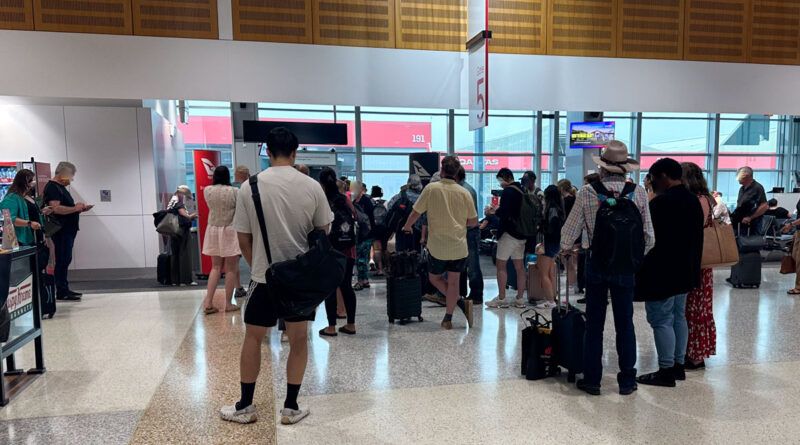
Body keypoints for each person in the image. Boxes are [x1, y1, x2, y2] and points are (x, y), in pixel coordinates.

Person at [221, 127, 333, 426]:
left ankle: (245, 406)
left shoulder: (250, 187)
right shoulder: (312, 186)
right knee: (298, 340)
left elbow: (243, 238)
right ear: (295, 152)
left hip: (263, 279)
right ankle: (291, 406)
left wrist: (260, 266)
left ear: (267, 152)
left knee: (253, 339)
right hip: (300, 279)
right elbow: (323, 233)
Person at [560, 141, 654, 396]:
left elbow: (567, 234)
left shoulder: (589, 192)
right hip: (626, 269)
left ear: (603, 169)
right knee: (626, 323)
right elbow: (649, 238)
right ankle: (627, 381)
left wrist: (570, 248)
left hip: (597, 265)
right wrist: (631, 258)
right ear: (625, 169)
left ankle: (592, 380)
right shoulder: (639, 193)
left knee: (595, 325)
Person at [635, 158, 703, 388]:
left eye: (652, 178)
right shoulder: (694, 201)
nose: (652, 183)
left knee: (661, 319)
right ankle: (677, 366)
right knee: (678, 317)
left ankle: (665, 370)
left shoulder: (660, 204)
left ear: (663, 176)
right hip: (686, 270)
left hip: (661, 272)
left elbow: (647, 239)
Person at [402, 156, 477, 329]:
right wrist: (457, 223)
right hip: (458, 246)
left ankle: (459, 301)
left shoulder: (431, 189)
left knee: (434, 278)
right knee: (453, 282)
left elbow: (416, 213)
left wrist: (407, 226)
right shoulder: (464, 193)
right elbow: (473, 222)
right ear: (457, 172)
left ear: (442, 171)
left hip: (437, 246)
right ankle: (448, 319)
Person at [681, 162, 717, 371]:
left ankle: (693, 354)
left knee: (692, 307)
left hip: (695, 260)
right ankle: (698, 351)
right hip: (707, 262)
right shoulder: (710, 199)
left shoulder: (696, 201)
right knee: (701, 307)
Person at [43, 162, 94, 301]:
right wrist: (75, 209)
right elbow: (56, 208)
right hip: (61, 231)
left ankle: (64, 288)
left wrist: (80, 209)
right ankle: (61, 290)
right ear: (62, 174)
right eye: (71, 175)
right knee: (62, 259)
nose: (72, 179)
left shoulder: (60, 188)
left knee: (65, 259)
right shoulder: (53, 188)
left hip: (67, 230)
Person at [318, 167, 358, 337]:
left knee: (330, 286)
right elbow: (355, 217)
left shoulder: (322, 201)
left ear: (321, 183)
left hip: (331, 250)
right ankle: (350, 324)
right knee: (347, 286)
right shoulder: (344, 199)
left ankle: (331, 327)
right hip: (348, 249)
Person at [201, 166, 241, 315]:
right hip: (230, 229)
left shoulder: (207, 190)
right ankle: (228, 304)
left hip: (212, 229)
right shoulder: (234, 192)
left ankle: (208, 302)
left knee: (215, 267)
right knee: (230, 268)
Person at [486, 168, 528, 309]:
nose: (500, 184)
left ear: (505, 177)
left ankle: (502, 298)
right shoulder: (522, 190)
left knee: (501, 265)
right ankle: (520, 299)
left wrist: (494, 211)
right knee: (520, 267)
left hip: (508, 235)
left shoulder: (508, 192)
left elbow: (504, 214)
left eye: (500, 180)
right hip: (522, 234)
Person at [457, 166, 483, 304]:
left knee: (472, 264)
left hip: (469, 231)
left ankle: (476, 294)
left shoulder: (465, 190)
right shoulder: (466, 188)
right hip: (468, 230)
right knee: (465, 263)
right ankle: (466, 292)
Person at [536, 185, 565, 309]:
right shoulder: (559, 209)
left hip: (549, 243)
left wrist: (541, 226)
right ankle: (552, 297)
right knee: (550, 273)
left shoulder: (551, 209)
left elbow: (550, 228)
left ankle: (550, 300)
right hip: (556, 243)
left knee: (544, 273)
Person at [1, 169, 47, 246]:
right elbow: (10, 219)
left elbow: (30, 212)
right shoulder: (11, 198)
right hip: (21, 240)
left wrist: (42, 211)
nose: (33, 183)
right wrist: (29, 223)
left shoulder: (26, 196)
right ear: (23, 182)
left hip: (36, 237)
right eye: (30, 180)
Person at [167, 185, 199, 286]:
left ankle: (175, 280)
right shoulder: (179, 201)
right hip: (182, 230)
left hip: (173, 230)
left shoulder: (172, 200)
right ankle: (185, 280)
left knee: (175, 255)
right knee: (185, 254)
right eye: (186, 195)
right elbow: (183, 213)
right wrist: (191, 217)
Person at [387, 175, 423, 252]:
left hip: (402, 227)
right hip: (418, 229)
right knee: (417, 252)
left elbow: (390, 206)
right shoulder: (422, 197)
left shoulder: (401, 195)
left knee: (400, 252)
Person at [351, 181, 375, 291]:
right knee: (361, 258)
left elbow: (369, 218)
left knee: (362, 258)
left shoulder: (366, 201)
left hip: (366, 234)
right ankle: (364, 279)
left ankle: (361, 280)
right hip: (359, 234)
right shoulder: (355, 201)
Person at [731, 166, 768, 234]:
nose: (738, 179)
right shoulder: (742, 189)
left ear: (747, 176)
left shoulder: (757, 188)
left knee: (752, 241)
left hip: (753, 223)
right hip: (740, 222)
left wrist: (750, 217)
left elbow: (764, 206)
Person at [371, 186, 388, 276]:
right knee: (385, 248)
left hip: (374, 228)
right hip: (384, 228)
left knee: (377, 249)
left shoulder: (370, 202)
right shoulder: (385, 202)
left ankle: (380, 269)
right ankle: (388, 268)